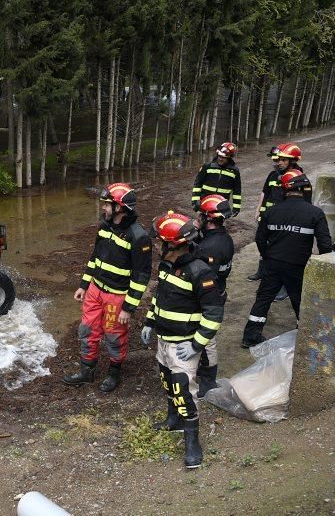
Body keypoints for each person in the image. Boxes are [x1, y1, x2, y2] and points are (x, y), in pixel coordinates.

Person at [141, 211, 224, 469]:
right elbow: (159, 297)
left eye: (159, 242)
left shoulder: (200, 272)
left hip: (183, 344)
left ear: (173, 245)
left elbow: (214, 314)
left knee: (183, 390)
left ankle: (192, 441)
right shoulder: (167, 265)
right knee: (167, 381)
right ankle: (173, 420)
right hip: (164, 340)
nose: (155, 246)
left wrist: (196, 344)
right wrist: (149, 321)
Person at [62, 183, 152, 392]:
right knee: (87, 329)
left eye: (107, 205)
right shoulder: (105, 227)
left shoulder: (139, 237)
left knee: (114, 335)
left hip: (117, 296)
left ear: (119, 208)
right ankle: (87, 372)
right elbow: (95, 258)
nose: (104, 208)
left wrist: (128, 308)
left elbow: (141, 276)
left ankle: (114, 373)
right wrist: (84, 285)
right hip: (95, 290)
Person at [242, 169, 332, 348]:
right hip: (297, 265)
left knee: (263, 298)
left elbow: (260, 238)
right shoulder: (315, 213)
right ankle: (306, 335)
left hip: (272, 263)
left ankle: (250, 336)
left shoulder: (272, 211)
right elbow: (325, 245)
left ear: (284, 189)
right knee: (299, 299)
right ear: (303, 189)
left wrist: (267, 255)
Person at [248, 143, 308, 291]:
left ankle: (282, 285)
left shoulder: (299, 177)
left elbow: (304, 201)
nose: (278, 162)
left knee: (281, 250)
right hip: (268, 217)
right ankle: (262, 271)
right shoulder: (273, 175)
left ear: (292, 160)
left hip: (285, 221)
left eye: (283, 159)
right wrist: (258, 209)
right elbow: (265, 192)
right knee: (263, 243)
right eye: (277, 159)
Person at [194, 194, 235, 397]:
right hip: (219, 290)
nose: (197, 218)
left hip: (210, 298)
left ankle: (208, 381)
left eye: (200, 215)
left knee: (207, 339)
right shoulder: (222, 238)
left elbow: (203, 275)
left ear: (209, 218)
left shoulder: (210, 246)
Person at [191, 142, 242, 216]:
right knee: (202, 224)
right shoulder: (208, 166)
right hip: (205, 203)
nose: (220, 159)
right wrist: (195, 201)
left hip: (221, 206)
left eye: (223, 157)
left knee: (218, 226)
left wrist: (236, 208)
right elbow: (197, 184)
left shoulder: (234, 171)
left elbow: (237, 191)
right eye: (219, 156)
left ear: (229, 157)